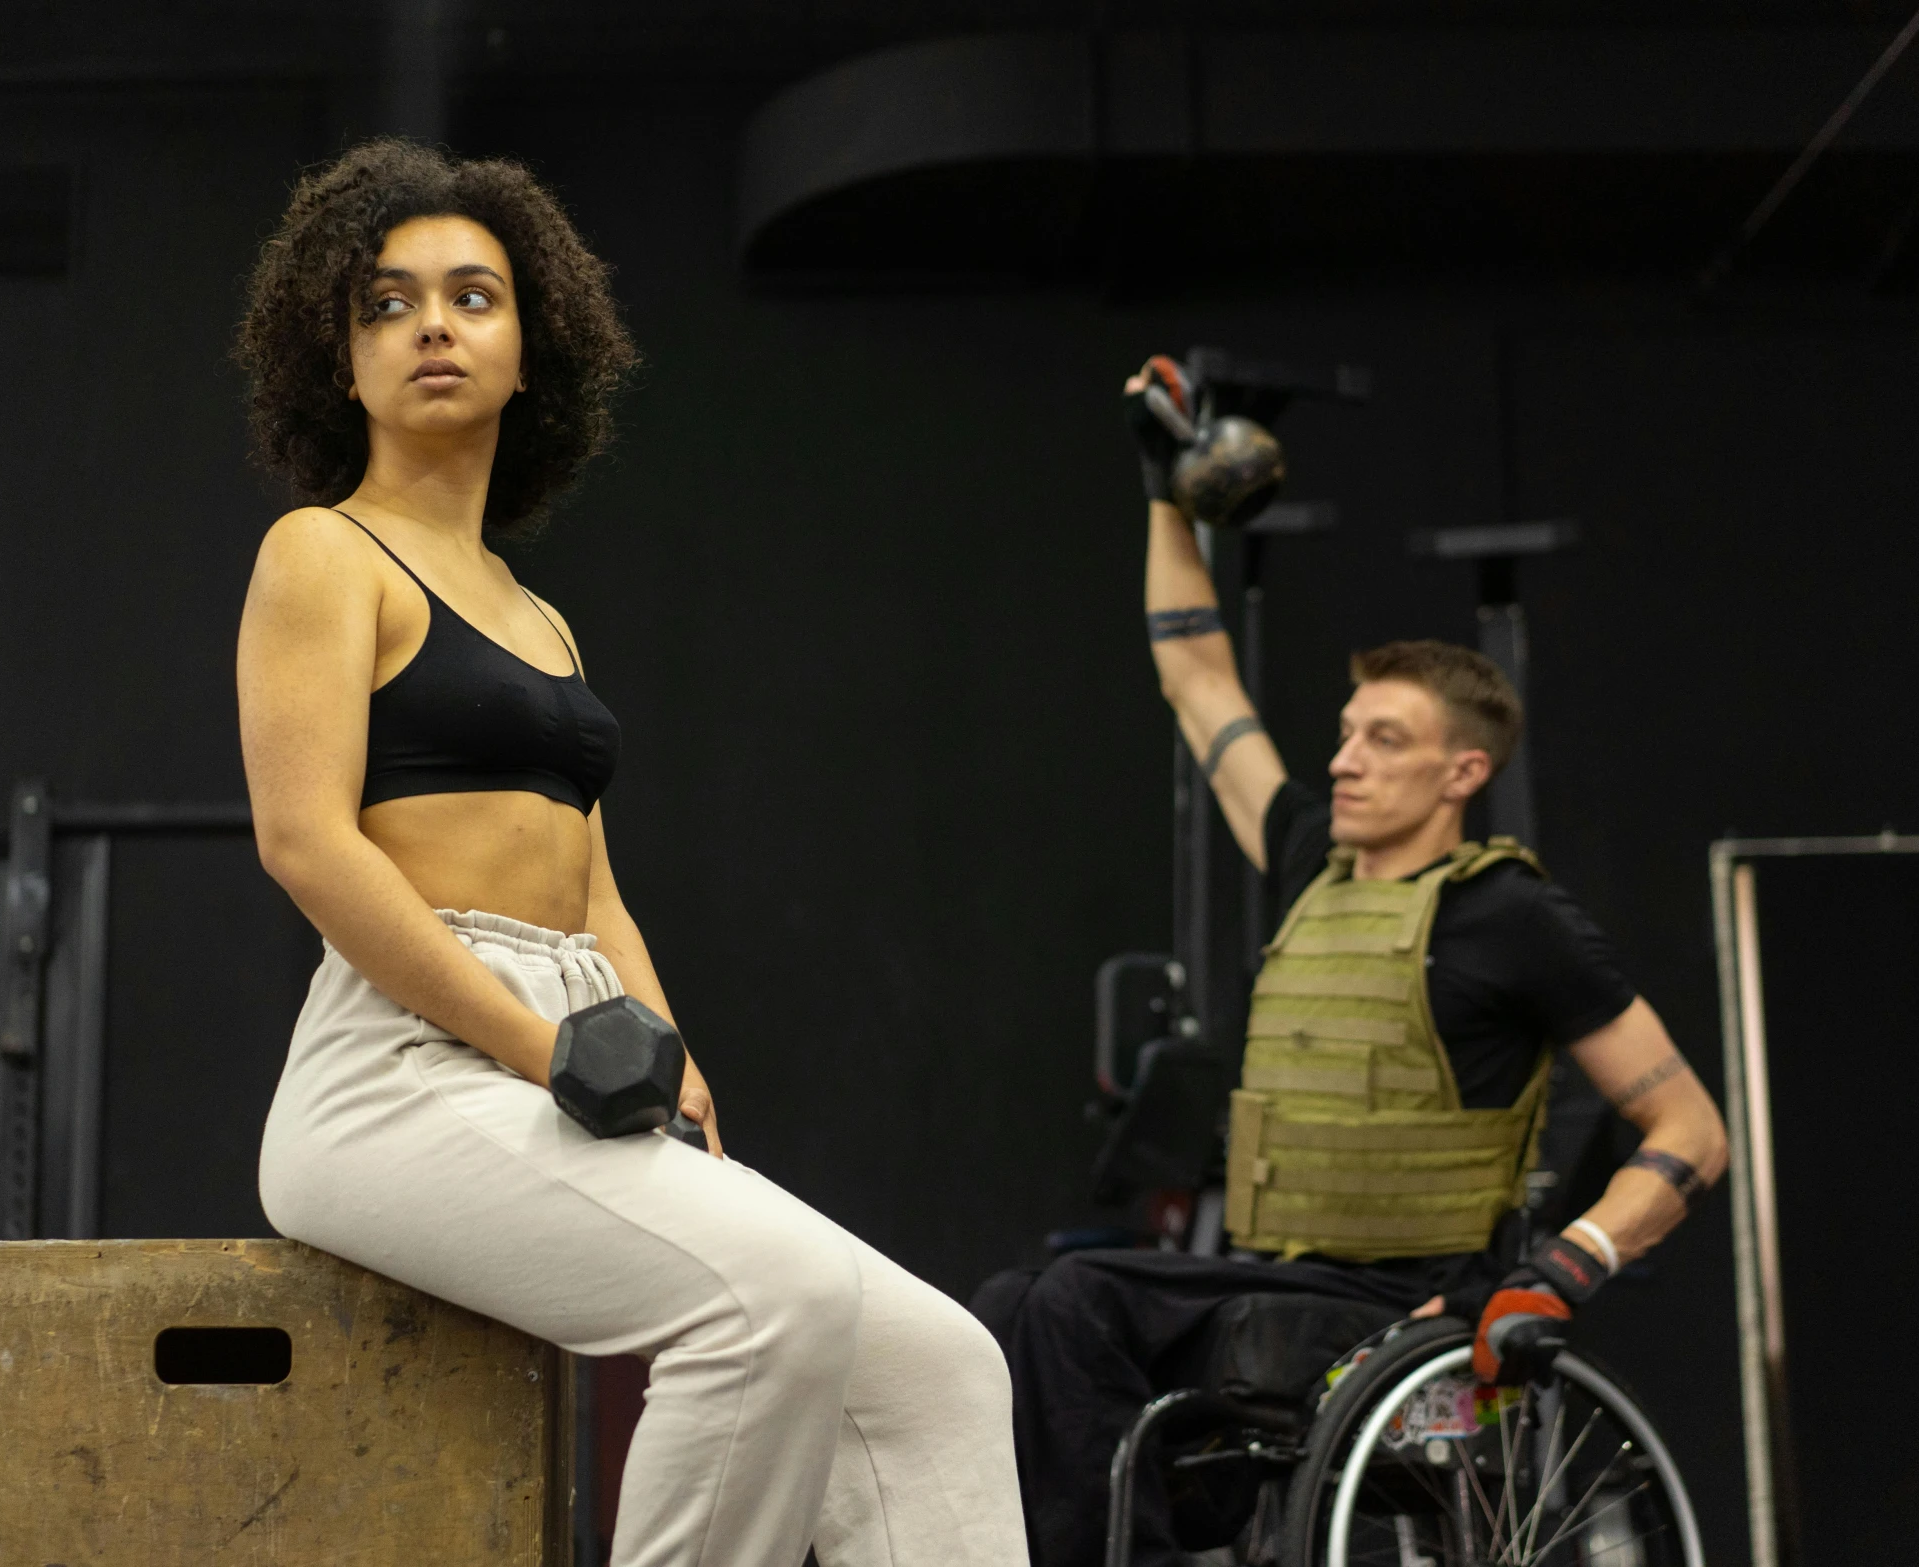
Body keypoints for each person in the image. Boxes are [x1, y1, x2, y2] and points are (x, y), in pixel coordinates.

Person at [234, 139, 1025, 1567]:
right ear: (337, 360)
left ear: (531, 350)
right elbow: (306, 842)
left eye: (471, 295)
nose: (430, 322)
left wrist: (662, 1047)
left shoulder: (541, 621)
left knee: (938, 1366)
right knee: (768, 1299)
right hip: (395, 1071)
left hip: (573, 1020)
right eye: (387, 301)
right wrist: (550, 1050)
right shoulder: (322, 552)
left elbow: (588, 884)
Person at [970, 359, 1730, 1567]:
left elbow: (1692, 1128)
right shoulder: (1309, 858)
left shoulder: (1512, 916)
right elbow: (1193, 671)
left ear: (1462, 773)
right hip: (1278, 1275)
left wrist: (1555, 1274)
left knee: (1066, 1304)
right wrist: (1164, 487)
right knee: (1011, 1307)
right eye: (1342, 735)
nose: (1344, 760)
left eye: (1384, 739)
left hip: (1405, 1299)